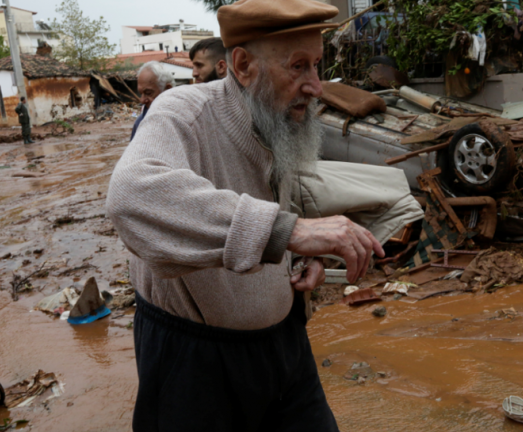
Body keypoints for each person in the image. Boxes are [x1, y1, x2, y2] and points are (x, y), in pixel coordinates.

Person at [106, 0, 384, 430]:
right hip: (195, 361)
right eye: (298, 67)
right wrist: (288, 230)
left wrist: (297, 254)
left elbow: (278, 207)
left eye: (317, 65)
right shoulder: (182, 111)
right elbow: (130, 195)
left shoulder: (279, 117)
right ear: (242, 65)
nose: (316, 86)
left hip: (285, 343)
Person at [131, 61, 174, 140]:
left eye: (148, 93)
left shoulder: (186, 119)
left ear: (167, 90)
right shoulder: (140, 123)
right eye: (141, 94)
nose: (142, 100)